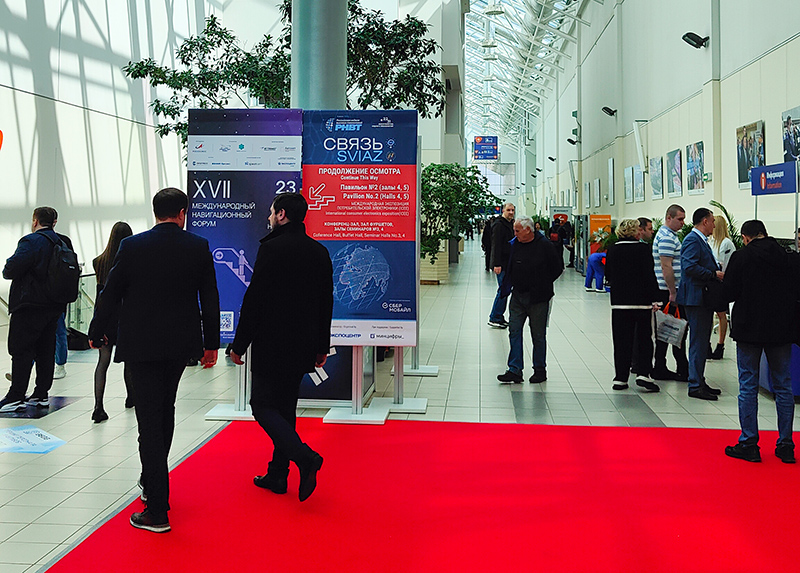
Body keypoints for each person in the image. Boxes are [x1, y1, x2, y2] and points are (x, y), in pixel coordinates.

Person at [89, 187, 220, 533]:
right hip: (179, 345)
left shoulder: (132, 246)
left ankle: (157, 508)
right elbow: (209, 297)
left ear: (155, 212)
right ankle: (152, 481)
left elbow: (110, 292)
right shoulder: (197, 246)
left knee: (149, 420)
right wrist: (211, 344)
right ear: (182, 213)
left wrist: (96, 330)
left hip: (140, 344)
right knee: (165, 410)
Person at [230, 193, 332, 502]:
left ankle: (305, 457)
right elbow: (325, 303)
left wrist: (239, 344)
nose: (269, 217)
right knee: (286, 407)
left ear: (282, 214)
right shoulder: (319, 251)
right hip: (303, 344)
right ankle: (277, 473)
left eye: (272, 212)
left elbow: (254, 300)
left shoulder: (271, 249)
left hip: (272, 342)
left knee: (261, 406)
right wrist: (322, 346)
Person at [723, 220, 799, 463]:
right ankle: (786, 445)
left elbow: (729, 293)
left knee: (748, 384)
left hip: (749, 329)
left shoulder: (741, 257)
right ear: (765, 233)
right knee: (783, 386)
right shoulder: (788, 257)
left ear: (745, 237)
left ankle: (749, 443)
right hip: (781, 329)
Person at [0, 207, 74, 412]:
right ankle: (41, 394)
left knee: (21, 350)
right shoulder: (63, 242)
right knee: (46, 350)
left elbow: (10, 269)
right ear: (54, 222)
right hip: (54, 306)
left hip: (29, 305)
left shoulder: (31, 241)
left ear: (35, 221)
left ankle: (16, 395)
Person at [496, 217, 563, 384]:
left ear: (528, 230)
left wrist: (543, 283)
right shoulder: (515, 244)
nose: (515, 233)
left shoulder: (545, 245)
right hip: (518, 295)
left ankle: (539, 369)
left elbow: (557, 268)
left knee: (538, 334)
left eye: (517, 230)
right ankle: (514, 369)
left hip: (539, 298)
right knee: (514, 331)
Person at [604, 220, 661, 392]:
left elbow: (608, 274)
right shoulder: (643, 249)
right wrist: (656, 299)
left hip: (620, 303)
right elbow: (649, 275)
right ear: (636, 232)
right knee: (644, 339)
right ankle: (643, 373)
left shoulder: (613, 249)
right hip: (641, 303)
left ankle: (620, 378)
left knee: (621, 340)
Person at [677, 208, 723, 401]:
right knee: (698, 341)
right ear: (705, 221)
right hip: (696, 298)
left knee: (702, 341)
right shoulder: (692, 240)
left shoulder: (700, 240)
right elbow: (689, 266)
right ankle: (695, 384)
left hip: (702, 298)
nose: (714, 225)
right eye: (712, 221)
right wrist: (712, 274)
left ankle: (699, 379)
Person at [90, 222, 134, 423]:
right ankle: (131, 397)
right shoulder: (131, 260)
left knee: (103, 362)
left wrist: (96, 327)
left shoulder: (99, 262)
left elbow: (101, 295)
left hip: (105, 316)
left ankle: (98, 406)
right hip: (126, 316)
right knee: (129, 360)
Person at [651, 205, 689, 382]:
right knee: (672, 329)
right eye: (679, 219)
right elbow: (666, 266)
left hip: (669, 289)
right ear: (669, 217)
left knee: (670, 328)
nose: (683, 223)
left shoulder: (670, 235)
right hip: (667, 290)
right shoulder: (666, 237)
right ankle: (671, 367)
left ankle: (666, 366)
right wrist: (673, 292)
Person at [707, 215, 735, 360]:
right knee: (709, 314)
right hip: (711, 281)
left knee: (721, 314)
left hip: (721, 282)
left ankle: (720, 344)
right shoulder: (709, 241)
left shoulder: (727, 243)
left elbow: (728, 264)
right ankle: (707, 344)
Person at [488, 203, 515, 328]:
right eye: (508, 210)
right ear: (503, 210)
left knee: (505, 290)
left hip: (508, 263)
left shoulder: (509, 224)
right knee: (503, 290)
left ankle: (498, 316)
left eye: (512, 210)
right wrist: (496, 264)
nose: (511, 212)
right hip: (502, 264)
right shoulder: (499, 225)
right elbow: (496, 245)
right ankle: (495, 316)